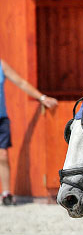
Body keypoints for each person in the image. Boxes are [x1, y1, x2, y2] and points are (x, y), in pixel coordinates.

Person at [0, 58, 59, 206]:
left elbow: (20, 82)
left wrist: (42, 98)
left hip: (1, 118)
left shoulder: (1, 65)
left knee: (3, 155)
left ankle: (6, 194)